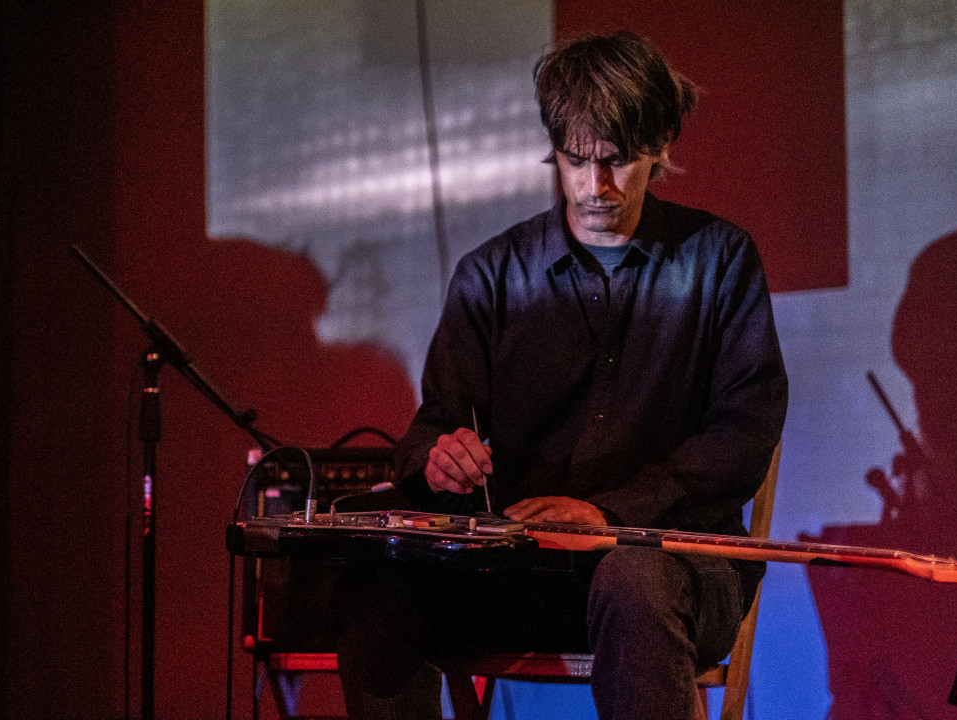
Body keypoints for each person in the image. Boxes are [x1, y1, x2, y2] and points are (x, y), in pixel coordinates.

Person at [335, 31, 787, 720]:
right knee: (376, 583)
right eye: (577, 161)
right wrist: (439, 459)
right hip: (519, 572)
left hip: (671, 567)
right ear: (555, 148)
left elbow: (745, 432)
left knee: (633, 578)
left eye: (618, 162)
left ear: (662, 141)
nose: (596, 186)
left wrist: (610, 515)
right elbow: (434, 424)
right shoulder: (490, 276)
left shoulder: (719, 260)